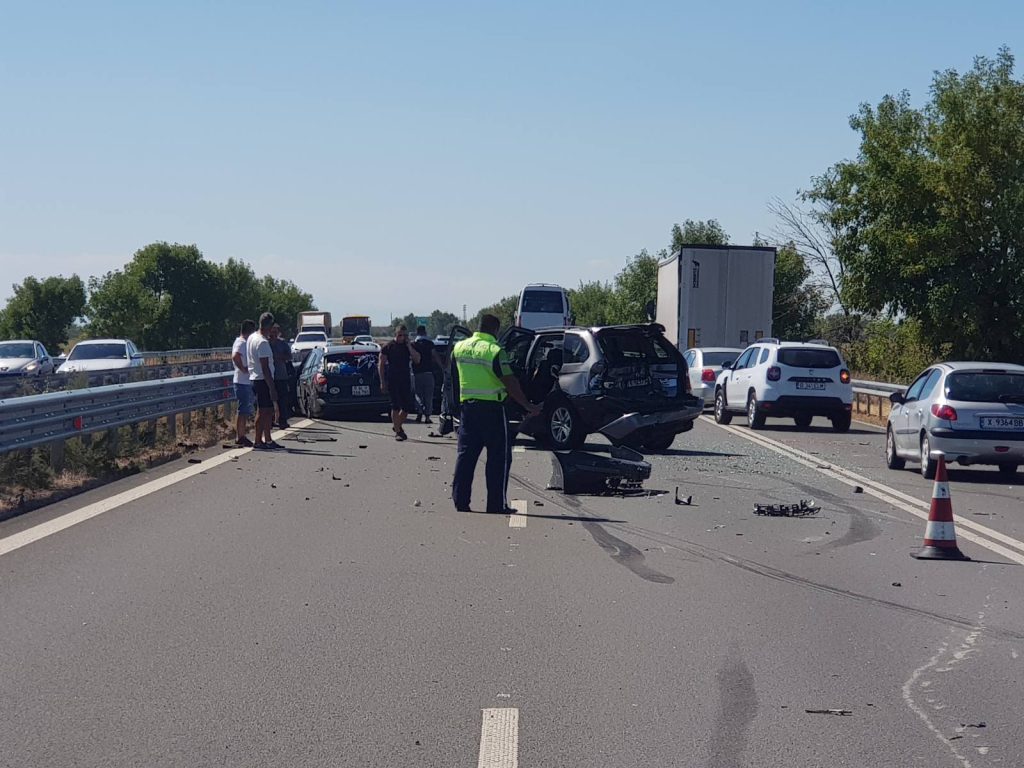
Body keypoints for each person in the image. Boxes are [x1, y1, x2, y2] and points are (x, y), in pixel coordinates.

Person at [451, 314, 540, 513]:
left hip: (468, 410)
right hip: (492, 411)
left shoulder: (459, 348)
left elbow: (453, 379)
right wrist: (527, 405)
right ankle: (496, 504)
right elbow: (510, 381)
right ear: (495, 330)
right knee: (498, 459)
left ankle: (460, 501)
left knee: (465, 456)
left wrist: (453, 407)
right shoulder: (495, 350)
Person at [378, 325, 420, 441]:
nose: (402, 337)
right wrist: (382, 381)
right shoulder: (388, 346)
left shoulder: (409, 346)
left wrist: (409, 346)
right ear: (396, 334)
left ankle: (397, 425)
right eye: (400, 335)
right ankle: (398, 432)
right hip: (393, 379)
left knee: (406, 407)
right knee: (395, 406)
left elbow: (417, 359)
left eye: (405, 335)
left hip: (405, 379)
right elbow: (381, 364)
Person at [246, 312, 281, 449]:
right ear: (269, 327)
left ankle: (268, 439)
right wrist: (272, 388)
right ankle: (258, 441)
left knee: (267, 411)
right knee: (262, 411)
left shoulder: (252, 337)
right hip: (262, 380)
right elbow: (265, 367)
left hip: (256, 378)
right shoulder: (262, 342)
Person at [231, 319, 257, 447]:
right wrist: (243, 368)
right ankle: (240, 436)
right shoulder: (241, 342)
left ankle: (242, 435)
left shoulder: (244, 342)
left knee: (245, 409)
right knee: (242, 410)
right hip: (241, 381)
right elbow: (235, 356)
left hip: (245, 381)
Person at [412, 325, 441, 424]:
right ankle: (427, 417)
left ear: (417, 333)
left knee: (418, 394)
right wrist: (442, 367)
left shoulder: (413, 344)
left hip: (417, 373)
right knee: (428, 396)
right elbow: (435, 356)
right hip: (429, 373)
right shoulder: (430, 344)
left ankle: (419, 412)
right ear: (425, 332)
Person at [268, 323, 294, 428]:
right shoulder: (265, 343)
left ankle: (282, 421)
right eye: (271, 332)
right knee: (268, 400)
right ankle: (269, 421)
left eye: (275, 332)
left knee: (282, 399)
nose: (273, 334)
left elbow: (290, 356)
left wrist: (280, 356)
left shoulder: (282, 343)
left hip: (281, 375)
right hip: (268, 376)